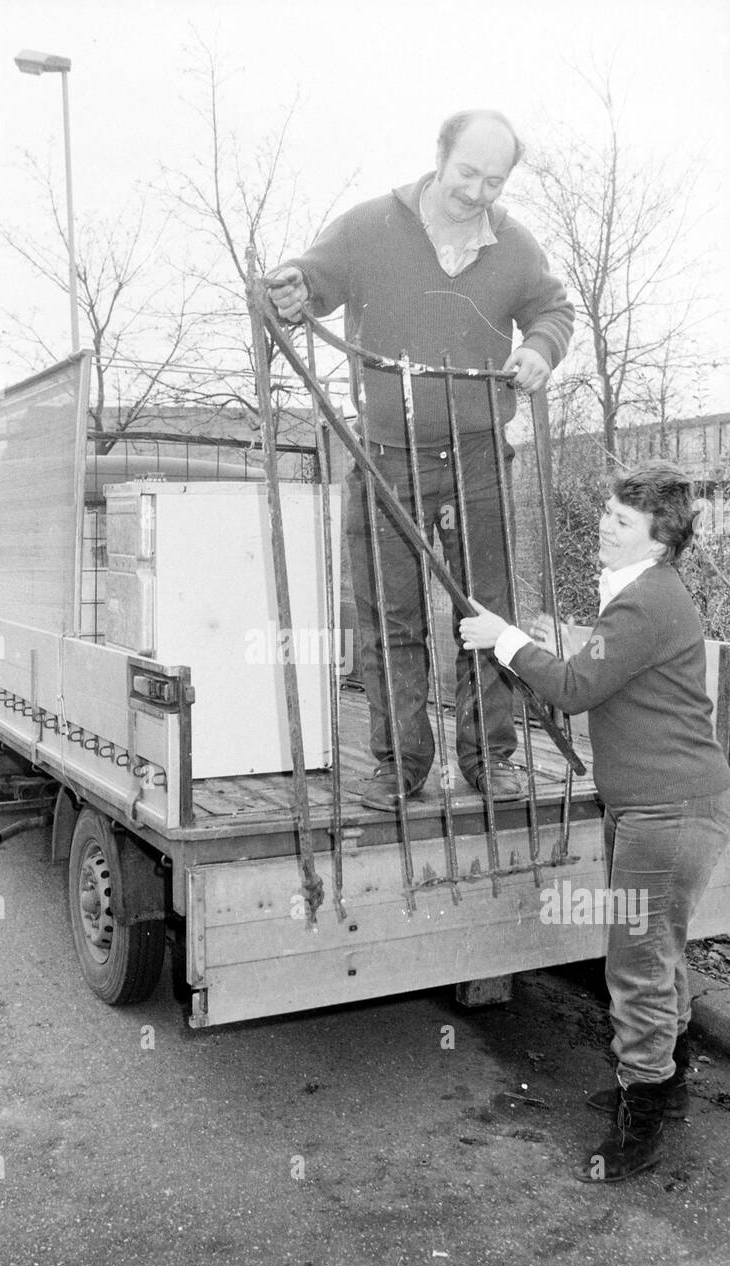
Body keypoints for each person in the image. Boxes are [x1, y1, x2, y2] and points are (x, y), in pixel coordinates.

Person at [269, 109, 575, 810]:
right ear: (438, 157)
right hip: (385, 458)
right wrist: (292, 289)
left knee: (487, 612)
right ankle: (400, 764)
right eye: (467, 173)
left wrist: (538, 349)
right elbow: (311, 281)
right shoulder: (370, 225)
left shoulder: (516, 247)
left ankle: (490, 759)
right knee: (391, 620)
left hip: (478, 458)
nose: (476, 192)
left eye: (493, 181)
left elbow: (552, 312)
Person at [459, 464, 730, 1182]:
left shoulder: (646, 600)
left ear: (658, 537)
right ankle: (660, 1089)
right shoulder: (643, 595)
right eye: (605, 512)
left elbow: (575, 689)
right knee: (658, 956)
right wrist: (535, 646)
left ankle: (639, 1124)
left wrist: (504, 640)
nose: (603, 526)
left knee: (635, 966)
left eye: (619, 519)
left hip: (665, 812)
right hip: (658, 806)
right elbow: (592, 672)